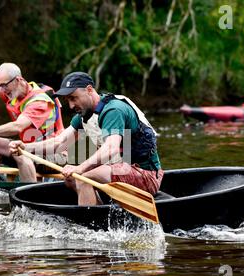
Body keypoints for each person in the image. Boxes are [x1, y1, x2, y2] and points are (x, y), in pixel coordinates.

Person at [9, 72, 163, 206]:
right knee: (71, 179)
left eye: (74, 98)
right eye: (68, 100)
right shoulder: (83, 115)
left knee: (82, 178)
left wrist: (80, 168)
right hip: (120, 170)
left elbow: (111, 148)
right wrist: (25, 148)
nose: (70, 105)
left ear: (89, 90)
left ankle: (90, 228)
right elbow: (60, 143)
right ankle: (99, 208)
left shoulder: (113, 110)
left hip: (145, 175)